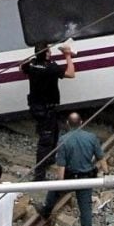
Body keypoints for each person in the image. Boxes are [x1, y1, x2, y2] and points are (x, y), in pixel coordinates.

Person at [44, 111, 104, 226]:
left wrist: (60, 182)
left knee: (53, 191)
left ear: (67, 124)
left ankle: (46, 211)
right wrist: (105, 172)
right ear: (81, 122)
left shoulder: (63, 140)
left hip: (70, 177)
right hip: (86, 178)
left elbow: (61, 165)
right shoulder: (91, 137)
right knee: (86, 208)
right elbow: (101, 158)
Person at [23, 41, 76, 178]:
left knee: (54, 132)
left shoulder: (31, 64)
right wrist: (68, 55)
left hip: (36, 106)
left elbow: (20, 68)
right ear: (46, 54)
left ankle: (50, 159)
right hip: (47, 108)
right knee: (45, 140)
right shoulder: (50, 67)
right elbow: (71, 74)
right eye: (49, 51)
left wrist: (33, 59)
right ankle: (39, 175)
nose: (51, 53)